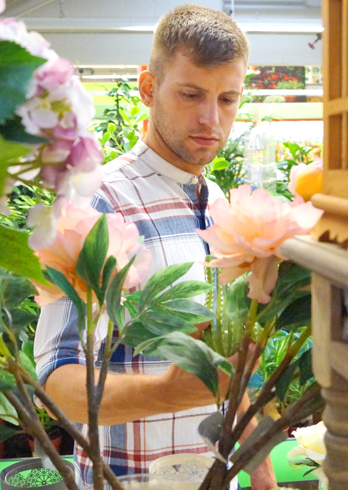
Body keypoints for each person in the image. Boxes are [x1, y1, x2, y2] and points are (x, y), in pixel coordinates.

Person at [34, 4, 278, 489]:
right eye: (191, 94)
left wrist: (262, 467)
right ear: (148, 88)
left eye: (228, 99)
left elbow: (226, 368)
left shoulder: (220, 205)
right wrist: (170, 392)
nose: (211, 119)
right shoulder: (97, 201)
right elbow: (56, 383)